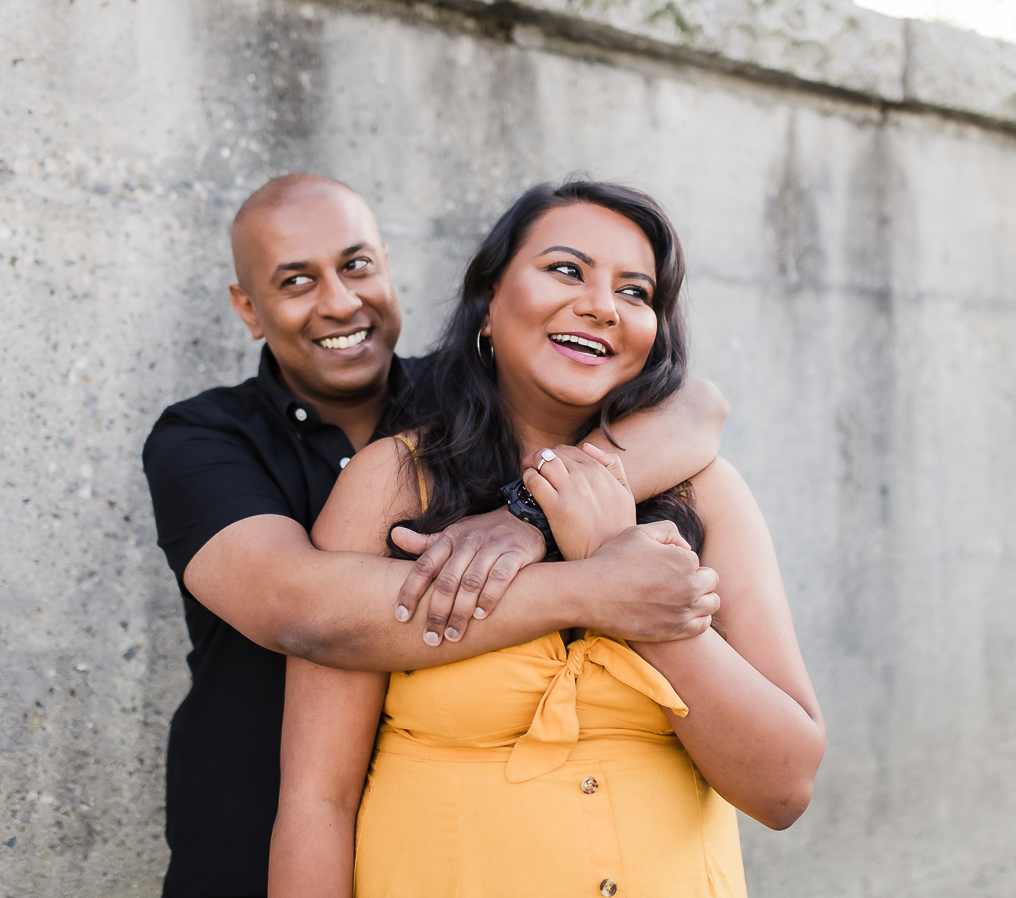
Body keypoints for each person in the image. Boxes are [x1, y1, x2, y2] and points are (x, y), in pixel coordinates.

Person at [142, 174, 728, 898]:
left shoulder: (468, 406)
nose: (339, 300)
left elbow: (697, 407)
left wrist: (528, 517)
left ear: (388, 265)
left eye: (357, 265)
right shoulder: (204, 437)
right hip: (247, 834)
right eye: (296, 280)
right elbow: (296, 608)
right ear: (247, 308)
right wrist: (591, 586)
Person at [269, 181, 826, 897]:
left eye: (636, 291)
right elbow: (319, 801)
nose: (602, 304)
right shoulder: (395, 485)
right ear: (490, 304)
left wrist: (634, 585)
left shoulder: (706, 493)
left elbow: (784, 789)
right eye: (568, 269)